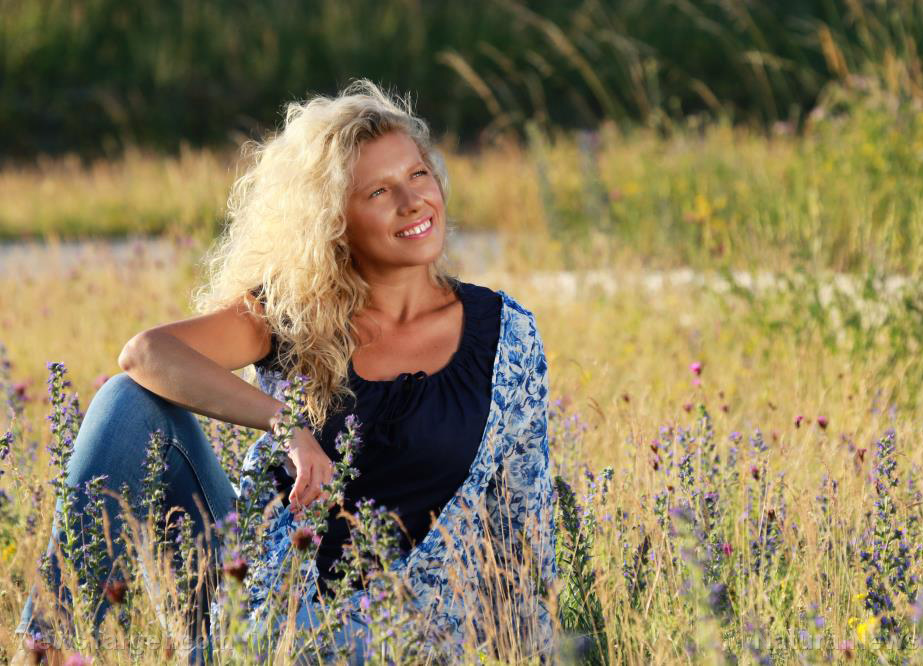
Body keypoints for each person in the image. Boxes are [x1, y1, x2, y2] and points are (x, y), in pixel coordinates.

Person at [14, 78, 556, 665]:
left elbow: (523, 517)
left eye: (418, 175)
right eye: (379, 191)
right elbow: (146, 353)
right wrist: (285, 424)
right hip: (258, 596)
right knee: (127, 401)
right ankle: (43, 652)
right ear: (333, 220)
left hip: (396, 633)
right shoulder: (293, 314)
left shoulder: (505, 335)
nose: (412, 202)